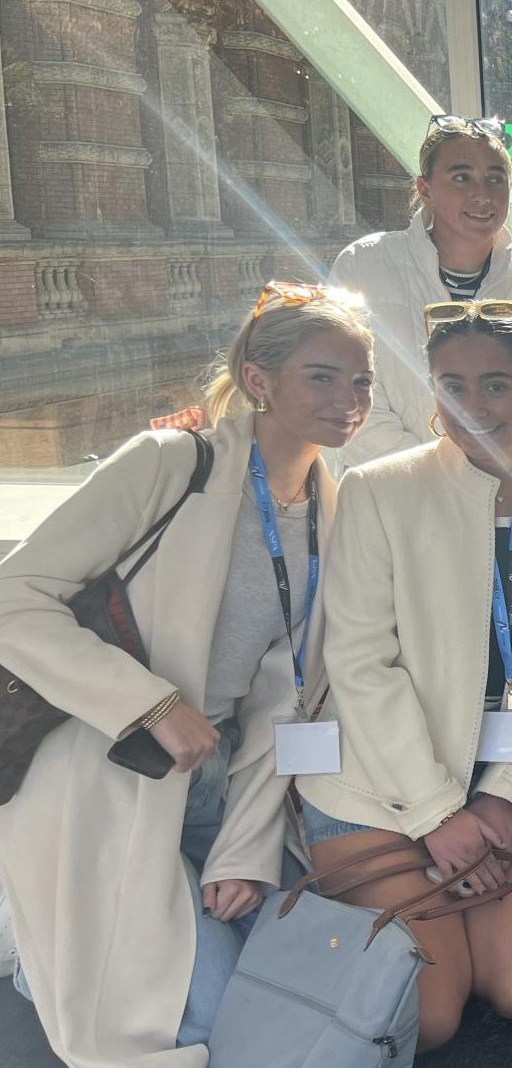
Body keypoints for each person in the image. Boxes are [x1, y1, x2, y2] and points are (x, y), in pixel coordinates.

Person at [0, 283, 373, 1064]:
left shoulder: (335, 509)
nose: (349, 399)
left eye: (362, 379)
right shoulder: (174, 464)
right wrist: (150, 703)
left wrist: (242, 847)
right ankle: (45, 962)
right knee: (199, 1019)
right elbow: (14, 596)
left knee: (295, 962)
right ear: (258, 379)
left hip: (225, 773)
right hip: (110, 762)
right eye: (323, 376)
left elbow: (289, 692)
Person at [295, 299, 512, 1050]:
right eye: (452, 385)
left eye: (496, 385)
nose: (473, 407)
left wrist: (508, 791)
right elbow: (361, 663)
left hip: (496, 784)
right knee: (431, 1015)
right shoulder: (376, 488)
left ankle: (464, 878)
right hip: (375, 786)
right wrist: (439, 813)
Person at [331, 114, 512, 466]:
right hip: (391, 493)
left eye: (495, 179)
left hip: (505, 500)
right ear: (426, 189)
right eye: (462, 177)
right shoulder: (364, 266)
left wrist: (503, 484)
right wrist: (436, 482)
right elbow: (346, 396)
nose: (481, 193)